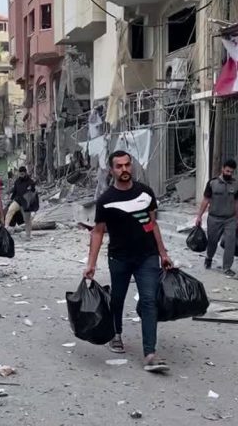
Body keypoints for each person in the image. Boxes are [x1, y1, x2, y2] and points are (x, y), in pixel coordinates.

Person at [83, 150, 174, 373]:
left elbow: (152, 224)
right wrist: (91, 264)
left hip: (147, 257)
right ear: (112, 170)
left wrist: (163, 253)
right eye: (119, 166)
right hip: (119, 257)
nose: (124, 170)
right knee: (117, 298)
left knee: (149, 300)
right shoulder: (106, 201)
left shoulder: (146, 193)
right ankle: (116, 334)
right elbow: (97, 232)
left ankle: (150, 353)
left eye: (127, 165)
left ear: (131, 166)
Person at [195, 159, 238, 277]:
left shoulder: (235, 185)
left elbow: (236, 202)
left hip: (229, 219)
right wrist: (199, 216)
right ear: (222, 169)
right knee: (212, 242)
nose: (229, 174)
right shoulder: (212, 183)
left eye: (231, 172)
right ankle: (209, 257)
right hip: (214, 218)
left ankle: (227, 267)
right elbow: (206, 200)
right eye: (227, 171)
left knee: (230, 243)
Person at [5, 166, 36, 239]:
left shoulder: (30, 182)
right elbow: (15, 192)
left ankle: (28, 235)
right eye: (20, 174)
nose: (21, 175)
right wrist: (11, 199)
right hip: (18, 201)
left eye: (22, 174)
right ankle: (5, 228)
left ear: (25, 173)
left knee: (27, 219)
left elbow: (33, 193)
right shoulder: (17, 181)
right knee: (10, 210)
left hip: (26, 203)